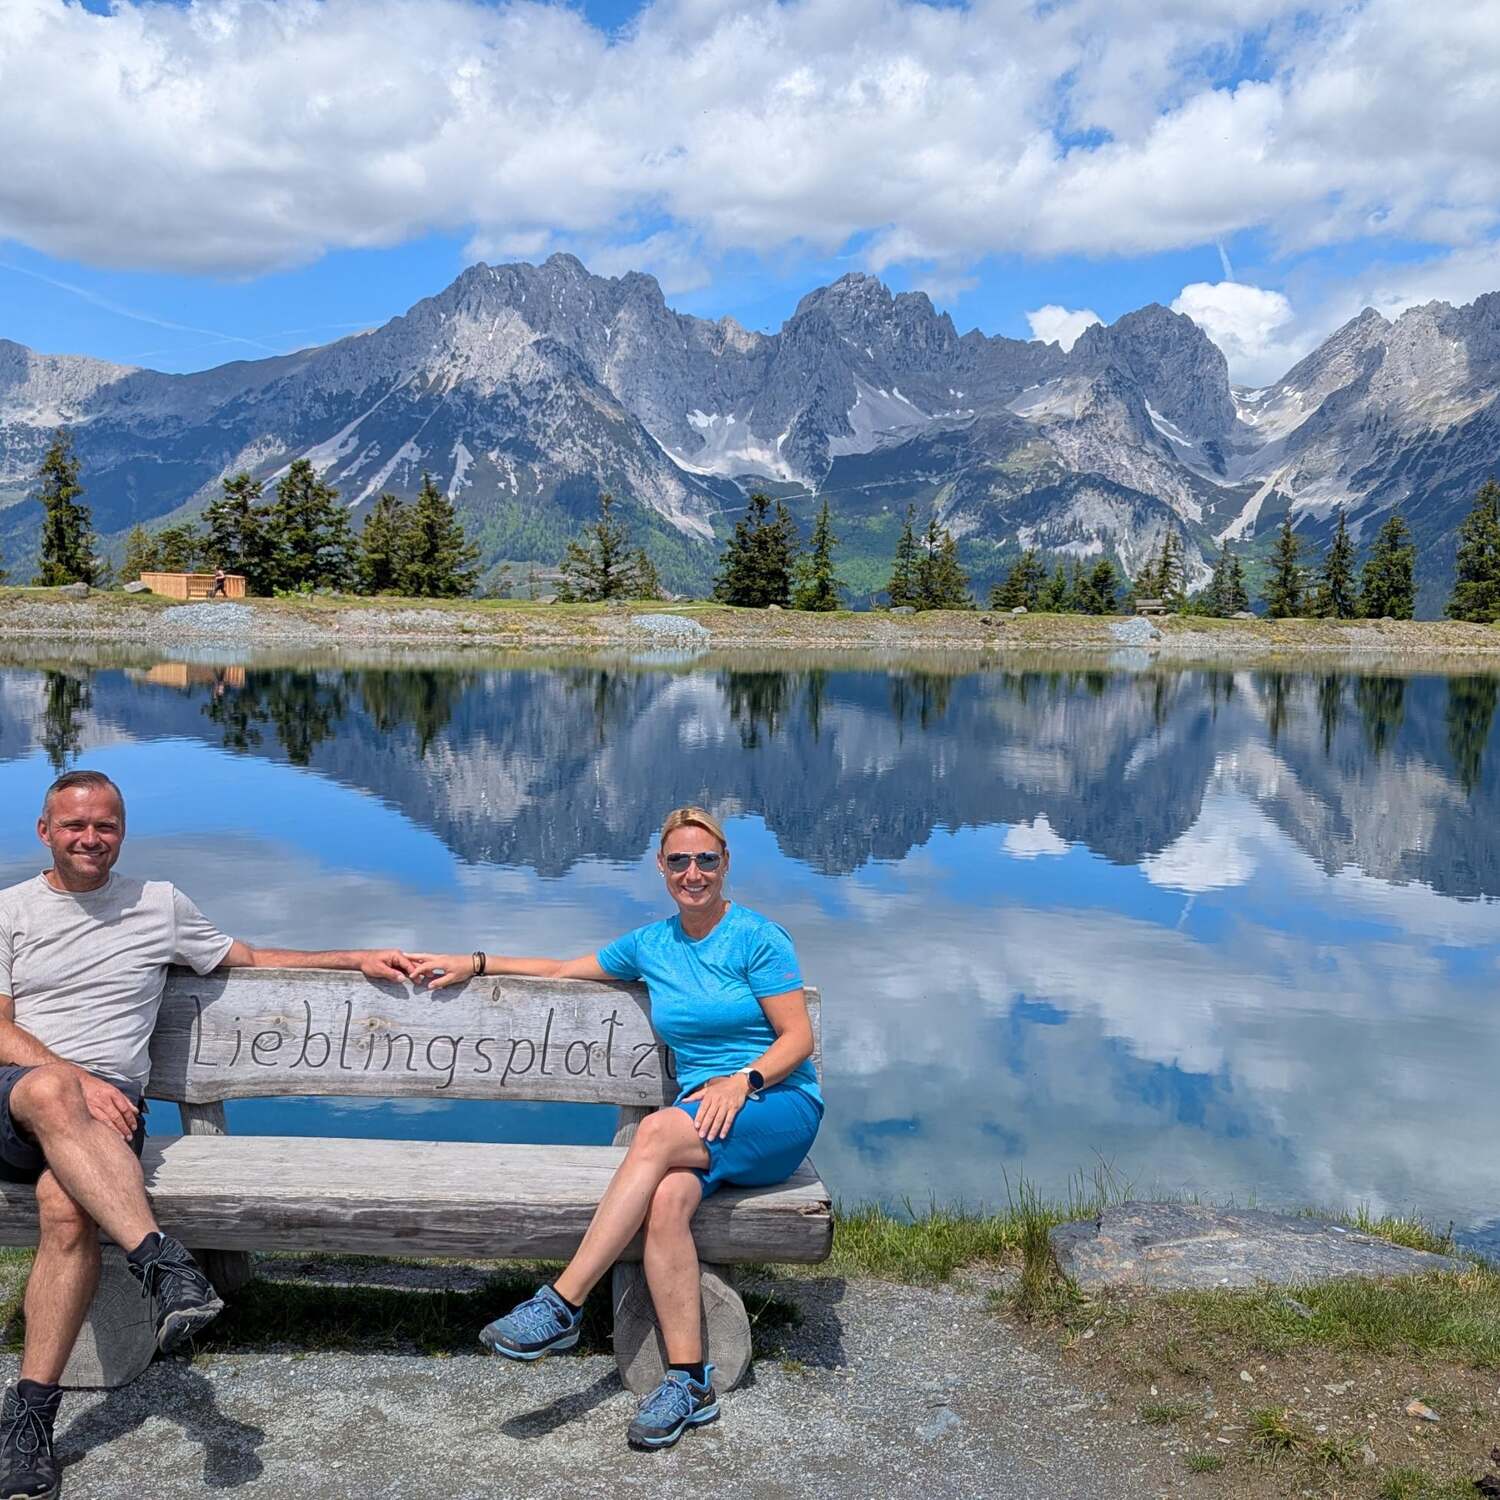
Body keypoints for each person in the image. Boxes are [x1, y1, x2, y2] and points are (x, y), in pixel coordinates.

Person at [0, 769, 413, 1500]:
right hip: (18, 1093)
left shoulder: (159, 905)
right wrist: (77, 1077)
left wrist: (352, 957)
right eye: (74, 826)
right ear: (45, 832)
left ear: (121, 831)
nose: (91, 839)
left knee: (68, 1209)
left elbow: (245, 957)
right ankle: (160, 1261)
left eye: (105, 826)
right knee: (50, 1087)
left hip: (106, 1116)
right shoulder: (10, 912)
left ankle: (30, 1422)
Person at [406, 805, 822, 1452]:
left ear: (725, 864)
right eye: (679, 861)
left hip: (775, 1107)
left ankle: (564, 1303)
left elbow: (798, 1037)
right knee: (666, 1201)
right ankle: (691, 1383)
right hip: (701, 1120)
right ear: (661, 868)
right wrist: (477, 962)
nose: (693, 873)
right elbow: (561, 970)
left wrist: (744, 1082)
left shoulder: (758, 939)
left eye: (706, 860)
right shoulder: (651, 945)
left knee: (653, 1134)